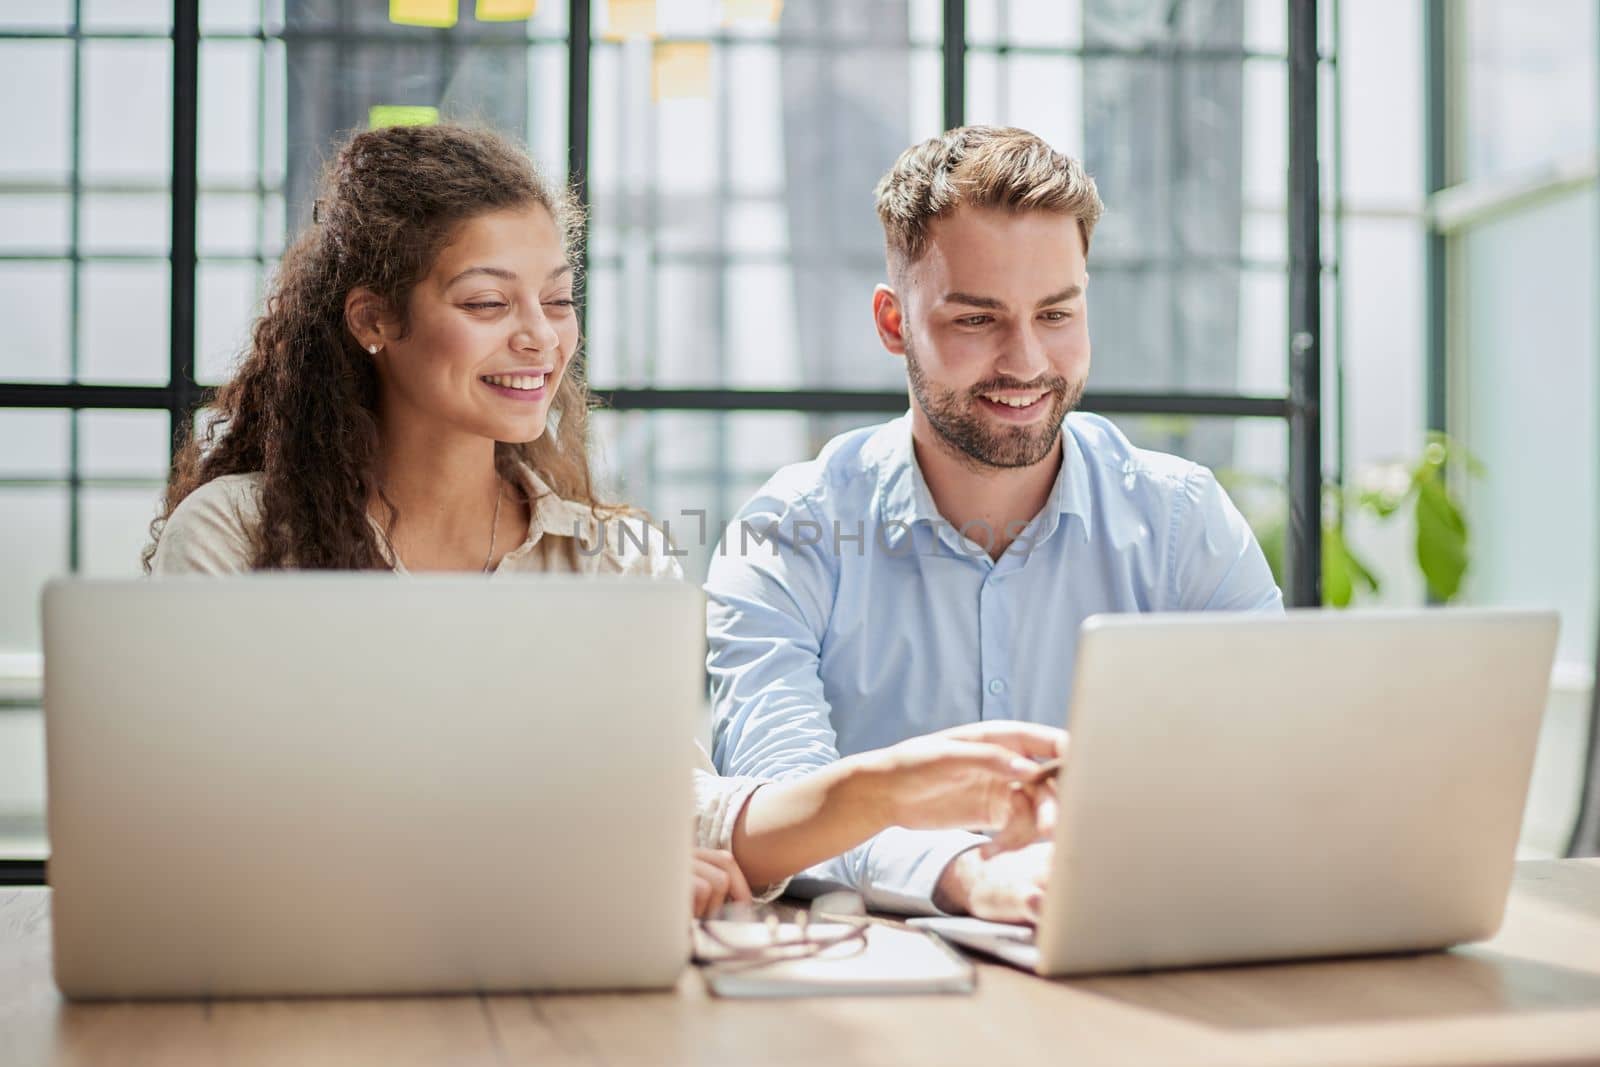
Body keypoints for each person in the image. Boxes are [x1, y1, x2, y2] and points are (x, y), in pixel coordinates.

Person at [145, 122, 1063, 918]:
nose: (540, 337)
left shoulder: (612, 561)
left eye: (556, 298)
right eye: (487, 303)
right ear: (374, 319)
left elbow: (680, 811)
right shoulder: (239, 537)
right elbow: (217, 834)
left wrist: (884, 788)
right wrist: (582, 872)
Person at [706, 125, 1284, 921]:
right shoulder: (788, 534)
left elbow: (1273, 766)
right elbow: (777, 809)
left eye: (1056, 313)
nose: (1025, 362)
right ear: (892, 322)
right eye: (977, 320)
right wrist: (968, 873)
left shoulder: (1183, 521)